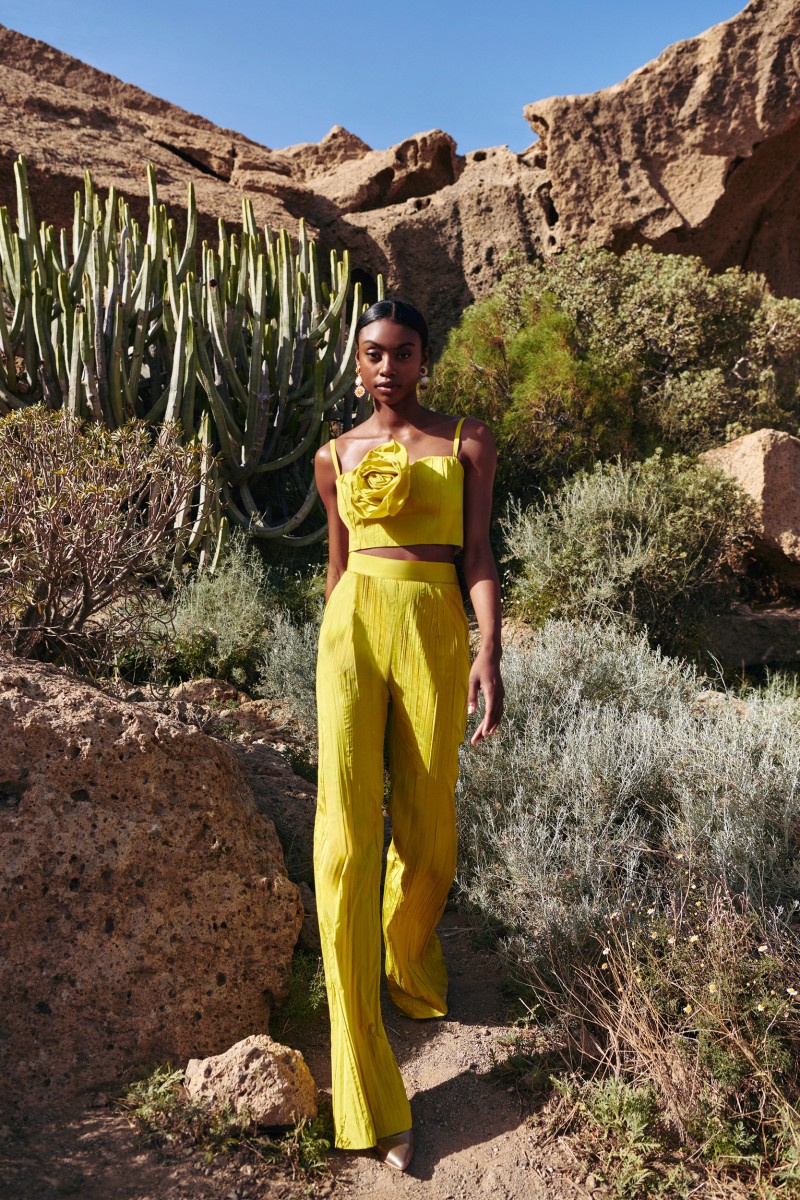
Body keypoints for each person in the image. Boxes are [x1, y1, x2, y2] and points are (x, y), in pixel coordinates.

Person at [313, 298, 504, 1171]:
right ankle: (368, 1094)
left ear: (427, 359)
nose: (387, 367)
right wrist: (332, 656)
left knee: (427, 835)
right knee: (347, 847)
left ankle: (408, 957)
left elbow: (478, 554)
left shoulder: (467, 440)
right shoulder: (335, 455)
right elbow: (338, 568)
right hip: (351, 634)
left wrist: (488, 653)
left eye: (403, 353)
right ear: (357, 363)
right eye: (372, 354)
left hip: (433, 628)